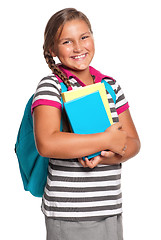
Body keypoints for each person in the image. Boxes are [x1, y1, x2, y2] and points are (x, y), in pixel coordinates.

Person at [32, 8, 140, 240]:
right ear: (52, 49)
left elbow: (132, 142)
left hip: (110, 208)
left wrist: (106, 156)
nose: (79, 47)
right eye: (67, 41)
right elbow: (46, 142)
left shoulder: (111, 85)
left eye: (84, 37)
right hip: (70, 212)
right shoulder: (51, 86)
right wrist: (106, 139)